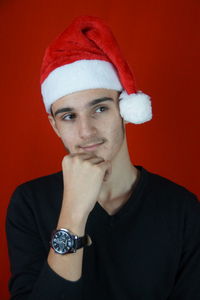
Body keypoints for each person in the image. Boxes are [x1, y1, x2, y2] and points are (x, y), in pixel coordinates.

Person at [6, 15, 200, 300]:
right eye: (69, 116)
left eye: (99, 109)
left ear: (124, 109)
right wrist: (72, 214)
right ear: (54, 125)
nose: (86, 131)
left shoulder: (182, 208)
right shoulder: (28, 203)